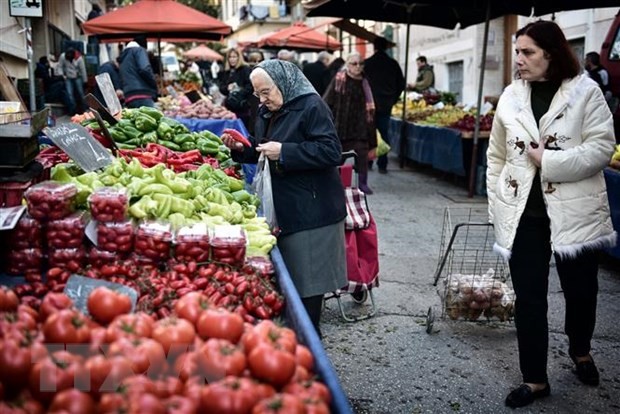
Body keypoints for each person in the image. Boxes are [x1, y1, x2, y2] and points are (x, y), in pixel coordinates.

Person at [486, 20, 616, 409]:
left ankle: (581, 352)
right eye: (517, 52)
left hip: (576, 212)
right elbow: (496, 155)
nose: (519, 60)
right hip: (525, 215)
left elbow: (601, 149)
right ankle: (535, 379)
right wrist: (497, 198)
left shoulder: (586, 93)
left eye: (527, 52)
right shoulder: (511, 95)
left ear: (551, 53)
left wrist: (550, 161)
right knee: (529, 298)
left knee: (581, 291)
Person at [221, 60, 347, 336]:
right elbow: (262, 146)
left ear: (285, 83)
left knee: (308, 286)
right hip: (287, 206)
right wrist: (241, 149)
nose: (263, 100)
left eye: (267, 92)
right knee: (294, 281)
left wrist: (286, 152)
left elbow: (330, 152)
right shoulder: (268, 110)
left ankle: (311, 342)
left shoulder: (312, 106)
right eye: (258, 94)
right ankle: (301, 336)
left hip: (313, 211)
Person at [323, 52, 376, 194]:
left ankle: (362, 183)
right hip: (342, 125)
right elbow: (327, 101)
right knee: (337, 156)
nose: (358, 67)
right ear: (347, 64)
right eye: (354, 63)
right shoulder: (339, 79)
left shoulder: (365, 81)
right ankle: (332, 182)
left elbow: (370, 105)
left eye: (361, 64)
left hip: (360, 125)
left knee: (362, 153)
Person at [364, 37, 405, 173]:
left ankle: (369, 161)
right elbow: (401, 84)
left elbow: (361, 83)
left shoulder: (368, 64)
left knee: (369, 133)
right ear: (387, 47)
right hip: (386, 103)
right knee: (384, 133)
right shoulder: (392, 64)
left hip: (369, 104)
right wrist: (393, 98)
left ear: (374, 46)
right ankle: (382, 164)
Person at [119, 35, 158, 108]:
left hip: (129, 96)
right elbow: (145, 69)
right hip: (143, 94)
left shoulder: (124, 55)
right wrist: (154, 84)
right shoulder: (139, 50)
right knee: (151, 119)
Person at [219, 48, 253, 130]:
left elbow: (250, 87)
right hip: (229, 107)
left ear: (239, 57)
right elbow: (221, 87)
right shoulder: (226, 72)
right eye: (230, 57)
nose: (232, 59)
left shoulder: (245, 69)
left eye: (234, 57)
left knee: (242, 130)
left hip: (242, 107)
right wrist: (227, 88)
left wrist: (238, 90)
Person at [56, 47, 87, 115]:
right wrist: (62, 75)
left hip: (77, 77)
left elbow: (83, 70)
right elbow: (60, 66)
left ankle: (84, 109)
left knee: (81, 93)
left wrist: (85, 81)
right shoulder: (63, 56)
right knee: (69, 94)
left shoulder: (79, 58)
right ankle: (73, 110)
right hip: (68, 78)